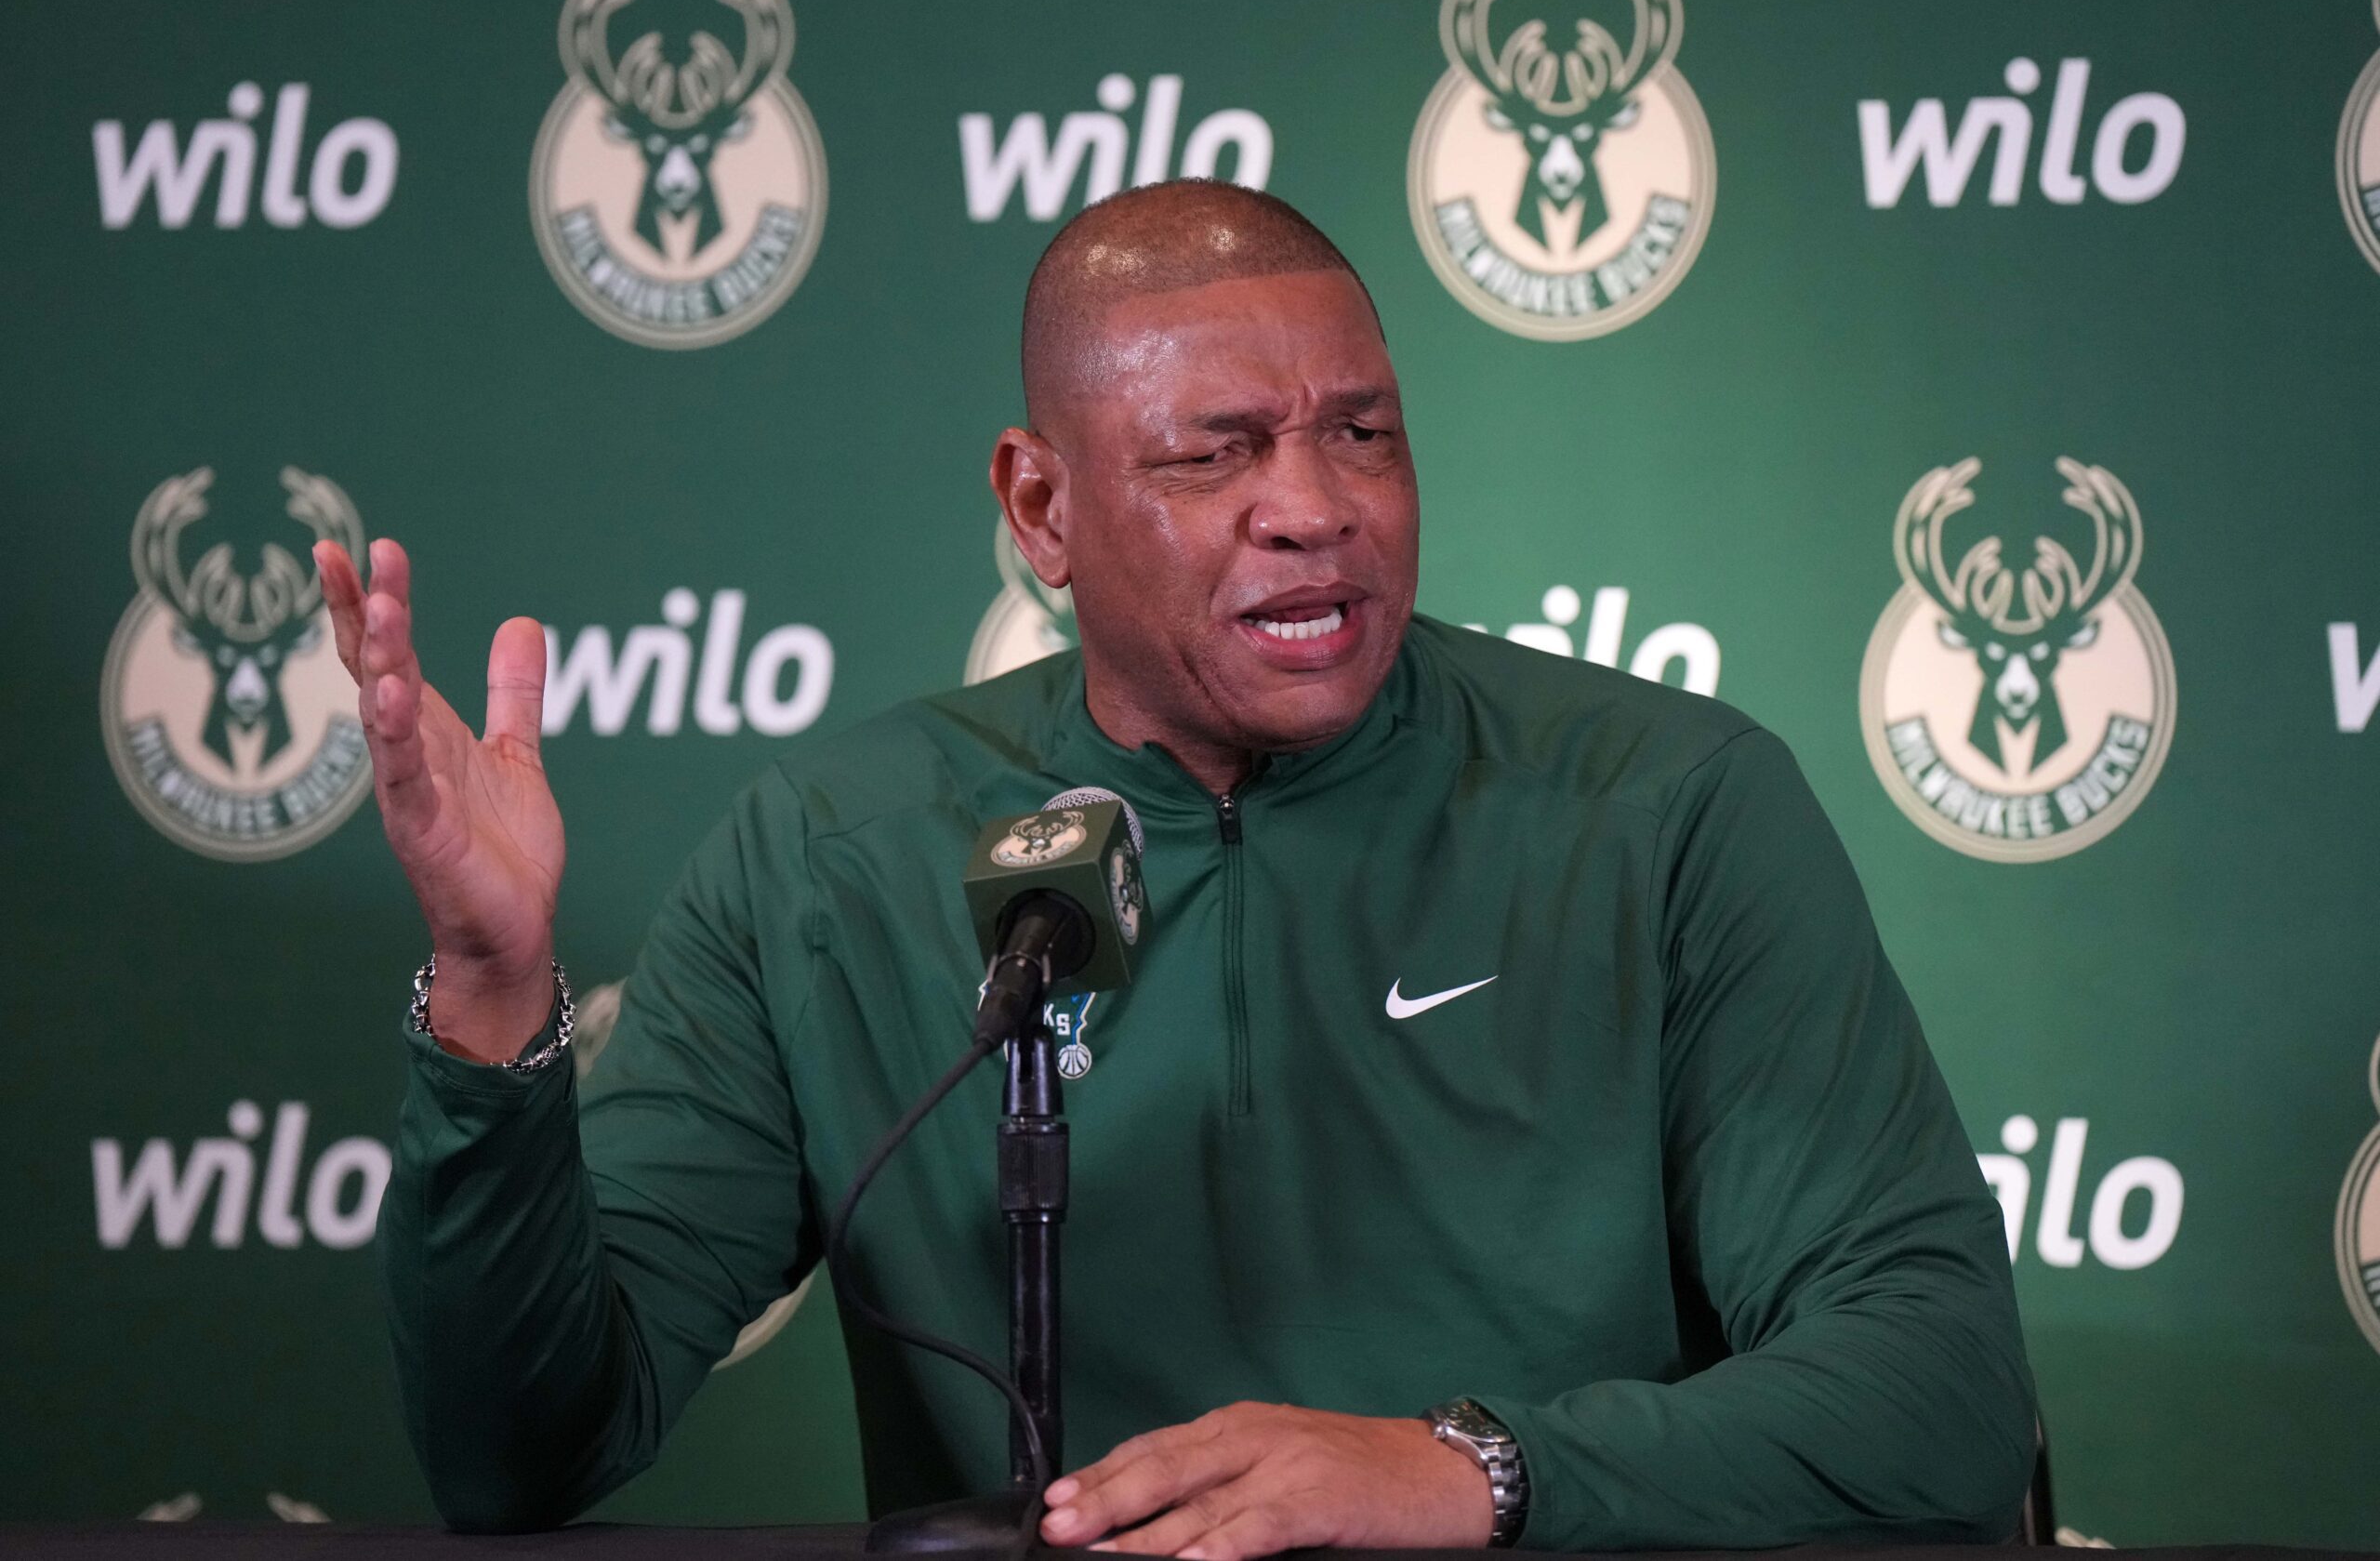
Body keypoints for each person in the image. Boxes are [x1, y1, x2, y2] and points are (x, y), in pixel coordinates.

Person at [322, 179, 2037, 1555]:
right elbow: (516, 1460)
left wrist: (1465, 1477)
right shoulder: (831, 855)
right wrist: (489, 993)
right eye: (1215, 453)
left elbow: (1940, 1384)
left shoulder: (1666, 805)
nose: (1315, 507)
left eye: (1361, 434)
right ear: (1042, 508)